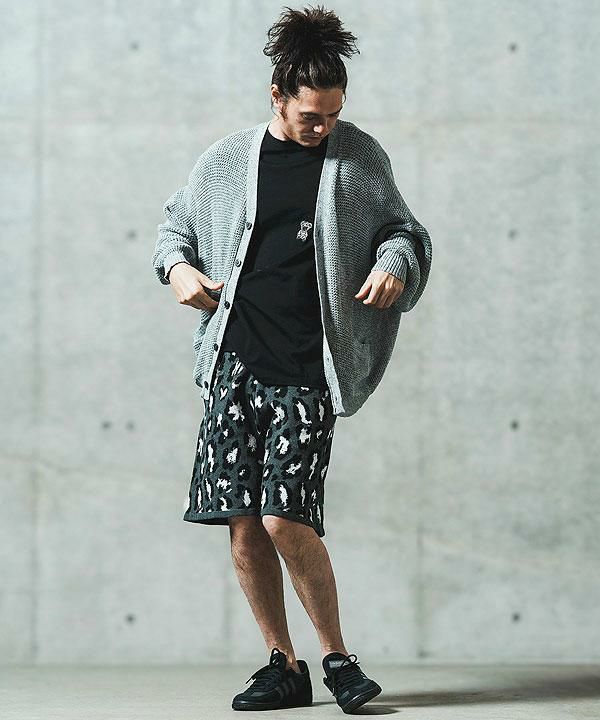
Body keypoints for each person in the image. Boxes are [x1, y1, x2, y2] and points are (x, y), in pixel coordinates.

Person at [152, 4, 432, 713]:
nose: (323, 127)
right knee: (244, 521)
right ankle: (283, 664)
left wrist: (394, 262)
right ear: (277, 94)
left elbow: (404, 231)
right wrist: (178, 269)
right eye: (312, 115)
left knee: (286, 516)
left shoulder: (357, 157)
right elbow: (174, 227)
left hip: (308, 366)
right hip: (234, 364)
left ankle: (338, 659)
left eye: (334, 114)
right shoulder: (227, 160)